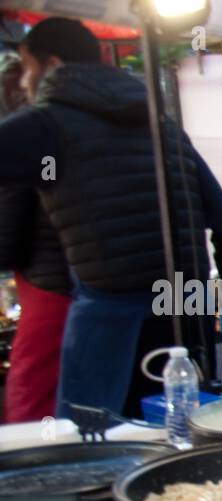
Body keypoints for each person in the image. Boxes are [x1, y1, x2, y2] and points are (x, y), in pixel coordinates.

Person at [0, 17, 222, 418]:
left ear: (49, 65)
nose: (26, 81)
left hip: (113, 309)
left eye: (27, 68)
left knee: (95, 438)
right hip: (185, 303)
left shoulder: (47, 124)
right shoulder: (163, 127)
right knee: (184, 429)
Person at [0, 51, 71, 422]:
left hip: (49, 283)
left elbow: (8, 237)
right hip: (77, 279)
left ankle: (39, 471)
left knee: (34, 393)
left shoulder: (22, 139)